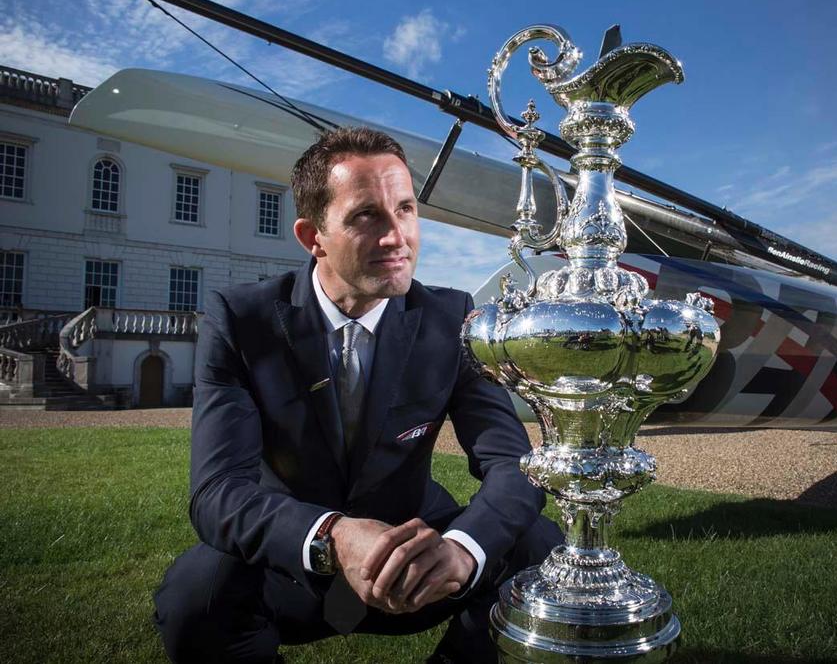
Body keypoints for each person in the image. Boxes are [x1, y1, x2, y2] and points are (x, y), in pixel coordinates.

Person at [153, 126, 560, 663]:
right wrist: (333, 537)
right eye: (367, 216)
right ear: (312, 236)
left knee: (541, 546)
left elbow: (513, 464)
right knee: (192, 593)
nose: (398, 236)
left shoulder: (452, 319)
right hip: (291, 567)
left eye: (406, 209)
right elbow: (217, 492)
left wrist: (462, 550)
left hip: (421, 566)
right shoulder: (241, 320)